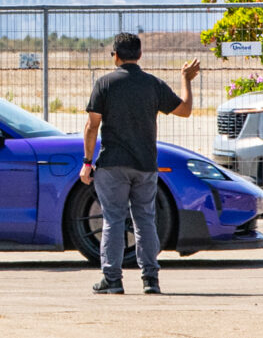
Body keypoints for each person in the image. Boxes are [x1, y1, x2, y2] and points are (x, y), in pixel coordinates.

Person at [79, 33, 199, 295]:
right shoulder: (152, 85)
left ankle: (112, 279)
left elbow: (92, 126)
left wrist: (87, 162)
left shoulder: (105, 84)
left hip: (112, 165)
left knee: (113, 220)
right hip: (145, 165)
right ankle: (150, 280)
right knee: (145, 219)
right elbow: (185, 110)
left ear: (116, 56)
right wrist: (186, 80)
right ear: (140, 55)